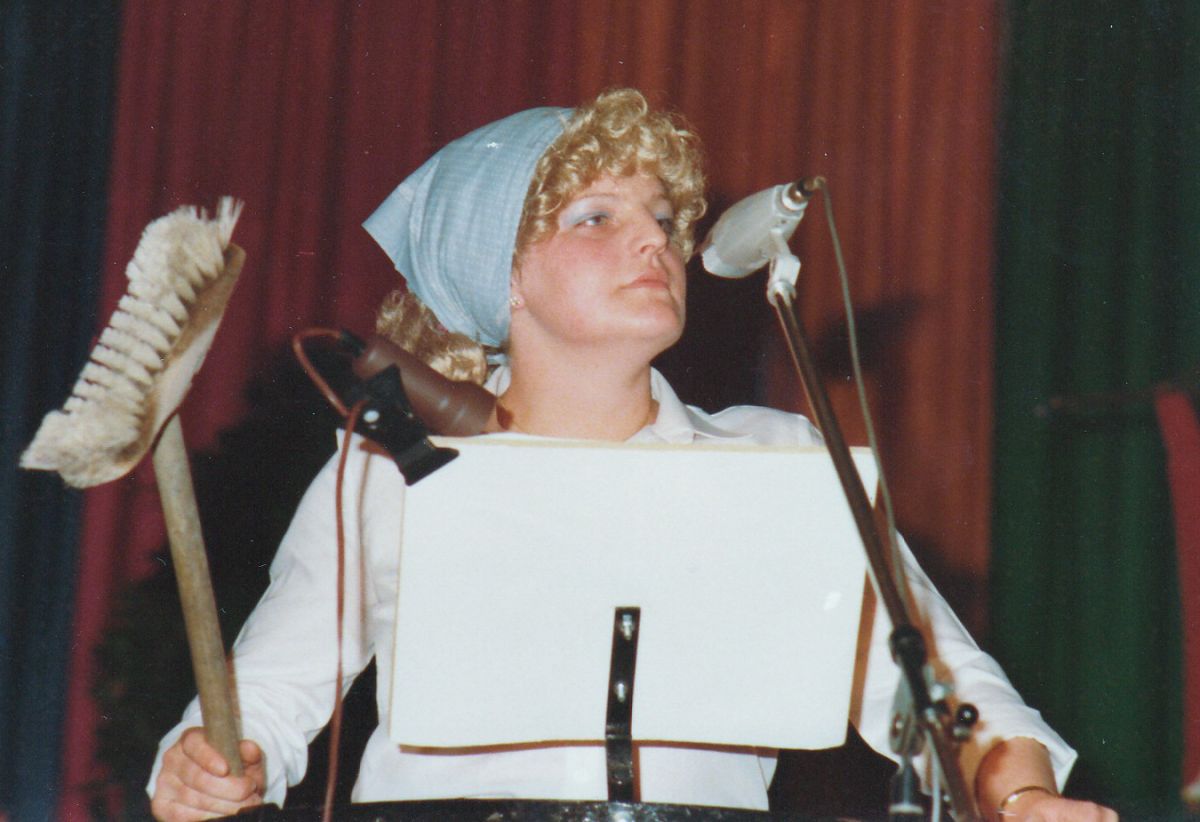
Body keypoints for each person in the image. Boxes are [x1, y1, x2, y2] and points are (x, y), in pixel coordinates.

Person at [149, 89, 1114, 822]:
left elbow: (941, 684)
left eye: (662, 217)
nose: (655, 239)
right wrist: (207, 763)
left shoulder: (781, 460)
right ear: (503, 274)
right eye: (597, 217)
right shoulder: (393, 468)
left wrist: (1020, 795)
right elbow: (263, 696)